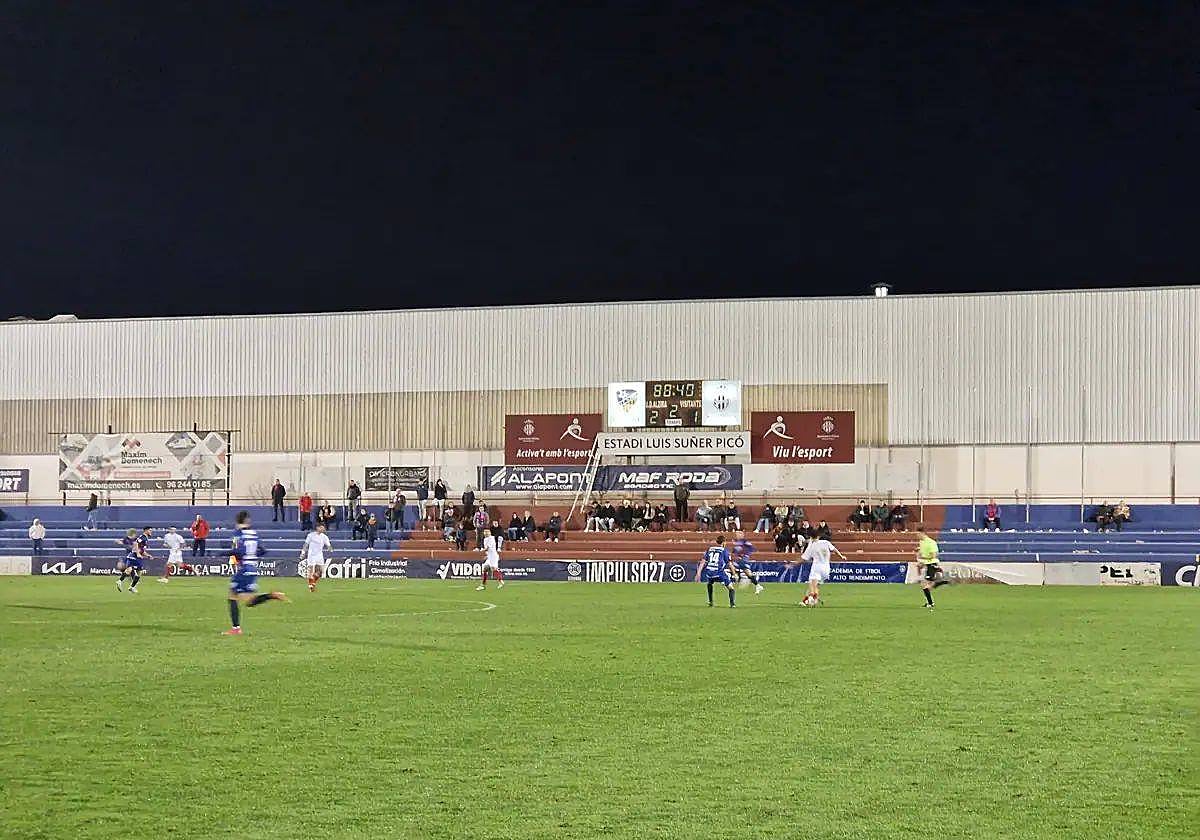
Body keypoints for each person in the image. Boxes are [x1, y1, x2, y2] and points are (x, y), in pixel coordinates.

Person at [223, 511, 288, 635]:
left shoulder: (238, 534)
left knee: (238, 597)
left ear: (237, 521)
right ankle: (236, 627)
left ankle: (236, 628)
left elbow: (239, 551)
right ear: (247, 520)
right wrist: (252, 555)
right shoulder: (253, 533)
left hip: (244, 569)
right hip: (252, 568)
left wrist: (224, 553)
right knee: (243, 598)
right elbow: (263, 551)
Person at [801, 533, 848, 606]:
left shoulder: (812, 546)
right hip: (826, 569)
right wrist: (841, 556)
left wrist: (792, 564)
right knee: (816, 585)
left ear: (811, 537)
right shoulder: (826, 542)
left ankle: (810, 598)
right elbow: (834, 549)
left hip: (817, 567)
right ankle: (811, 600)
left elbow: (804, 558)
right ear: (818, 536)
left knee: (812, 584)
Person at [915, 523, 950, 609]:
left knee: (925, 585)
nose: (916, 536)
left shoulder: (931, 542)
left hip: (932, 564)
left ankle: (942, 582)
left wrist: (922, 558)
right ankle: (930, 602)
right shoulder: (921, 542)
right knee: (925, 585)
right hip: (928, 564)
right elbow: (923, 553)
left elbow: (934, 555)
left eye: (917, 534)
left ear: (922, 533)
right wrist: (921, 561)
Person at [697, 534, 736, 608]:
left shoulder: (710, 549)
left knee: (710, 583)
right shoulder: (724, 551)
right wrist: (735, 574)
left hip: (709, 572)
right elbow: (730, 564)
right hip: (719, 572)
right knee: (731, 587)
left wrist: (698, 573)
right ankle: (732, 604)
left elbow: (703, 562)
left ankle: (711, 602)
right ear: (724, 542)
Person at [302, 522, 333, 592]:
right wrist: (303, 552)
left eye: (323, 527)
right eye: (322, 527)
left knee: (321, 571)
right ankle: (311, 586)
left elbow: (328, 545)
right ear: (317, 528)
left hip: (319, 555)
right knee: (311, 571)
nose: (323, 529)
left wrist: (330, 548)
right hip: (311, 555)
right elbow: (305, 544)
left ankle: (313, 582)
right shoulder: (311, 535)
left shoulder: (324, 537)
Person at [115, 528, 144, 593]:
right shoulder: (127, 539)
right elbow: (120, 542)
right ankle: (131, 586)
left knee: (131, 570)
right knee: (135, 571)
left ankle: (122, 582)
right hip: (132, 556)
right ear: (133, 534)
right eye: (135, 534)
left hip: (132, 556)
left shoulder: (134, 540)